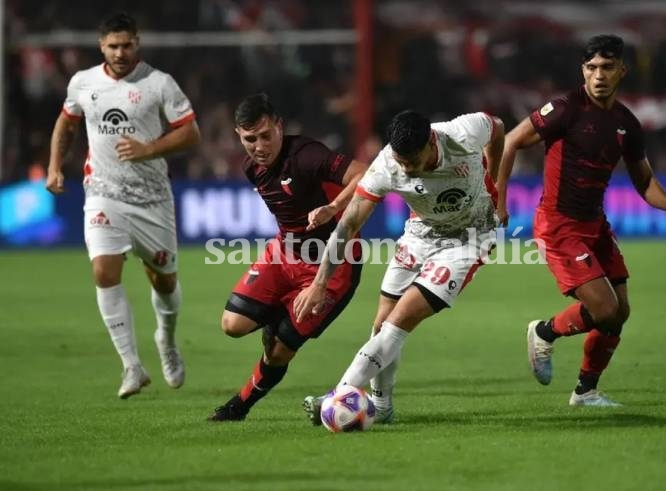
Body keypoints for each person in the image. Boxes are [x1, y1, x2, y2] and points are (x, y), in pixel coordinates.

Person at [496, 34, 666, 406]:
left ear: (622, 70)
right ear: (582, 71)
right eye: (591, 68)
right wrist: (500, 198)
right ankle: (544, 332)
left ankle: (585, 391)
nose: (599, 75)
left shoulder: (626, 123)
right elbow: (509, 142)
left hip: (595, 225)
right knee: (603, 308)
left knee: (619, 313)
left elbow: (645, 180)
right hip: (558, 226)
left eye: (607, 67)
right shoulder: (565, 109)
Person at [294, 109, 505, 424]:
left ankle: (339, 394)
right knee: (381, 323)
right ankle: (382, 407)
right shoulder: (387, 166)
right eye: (401, 161)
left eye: (412, 162)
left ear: (431, 143)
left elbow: (498, 128)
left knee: (400, 320)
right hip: (420, 234)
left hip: (468, 239)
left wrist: (497, 181)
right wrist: (319, 283)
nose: (405, 168)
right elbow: (348, 225)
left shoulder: (463, 133)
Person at [45, 13, 200, 399]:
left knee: (163, 281)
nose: (120, 52)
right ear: (102, 47)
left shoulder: (158, 83)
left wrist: (149, 149)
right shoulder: (83, 82)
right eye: (113, 46)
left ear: (137, 44)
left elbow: (190, 132)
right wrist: (53, 168)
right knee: (103, 270)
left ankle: (165, 338)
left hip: (152, 199)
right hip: (103, 192)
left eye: (126, 45)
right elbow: (66, 124)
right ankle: (131, 365)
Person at [207, 93, 368, 422]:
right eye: (250, 139)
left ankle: (239, 406)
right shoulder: (253, 168)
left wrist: (334, 208)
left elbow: (364, 173)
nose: (259, 146)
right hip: (284, 254)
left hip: (333, 265)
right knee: (232, 325)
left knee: (279, 352)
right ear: (239, 135)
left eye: (266, 136)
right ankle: (279, 317)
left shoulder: (307, 156)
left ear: (279, 127)